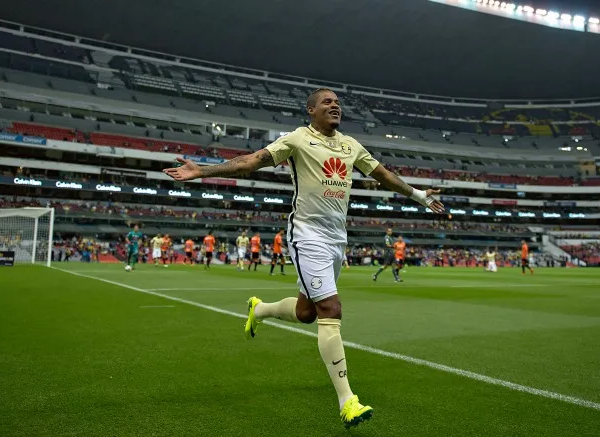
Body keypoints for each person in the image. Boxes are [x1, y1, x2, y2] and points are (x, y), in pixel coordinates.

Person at [163, 88, 444, 428]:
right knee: (331, 309)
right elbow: (252, 161)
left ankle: (260, 309)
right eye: (327, 102)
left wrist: (418, 195)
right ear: (311, 110)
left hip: (337, 239)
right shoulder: (297, 139)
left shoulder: (351, 145)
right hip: (307, 234)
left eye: (337, 102)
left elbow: (381, 174)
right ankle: (348, 401)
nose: (335, 105)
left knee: (307, 312)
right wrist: (204, 171)